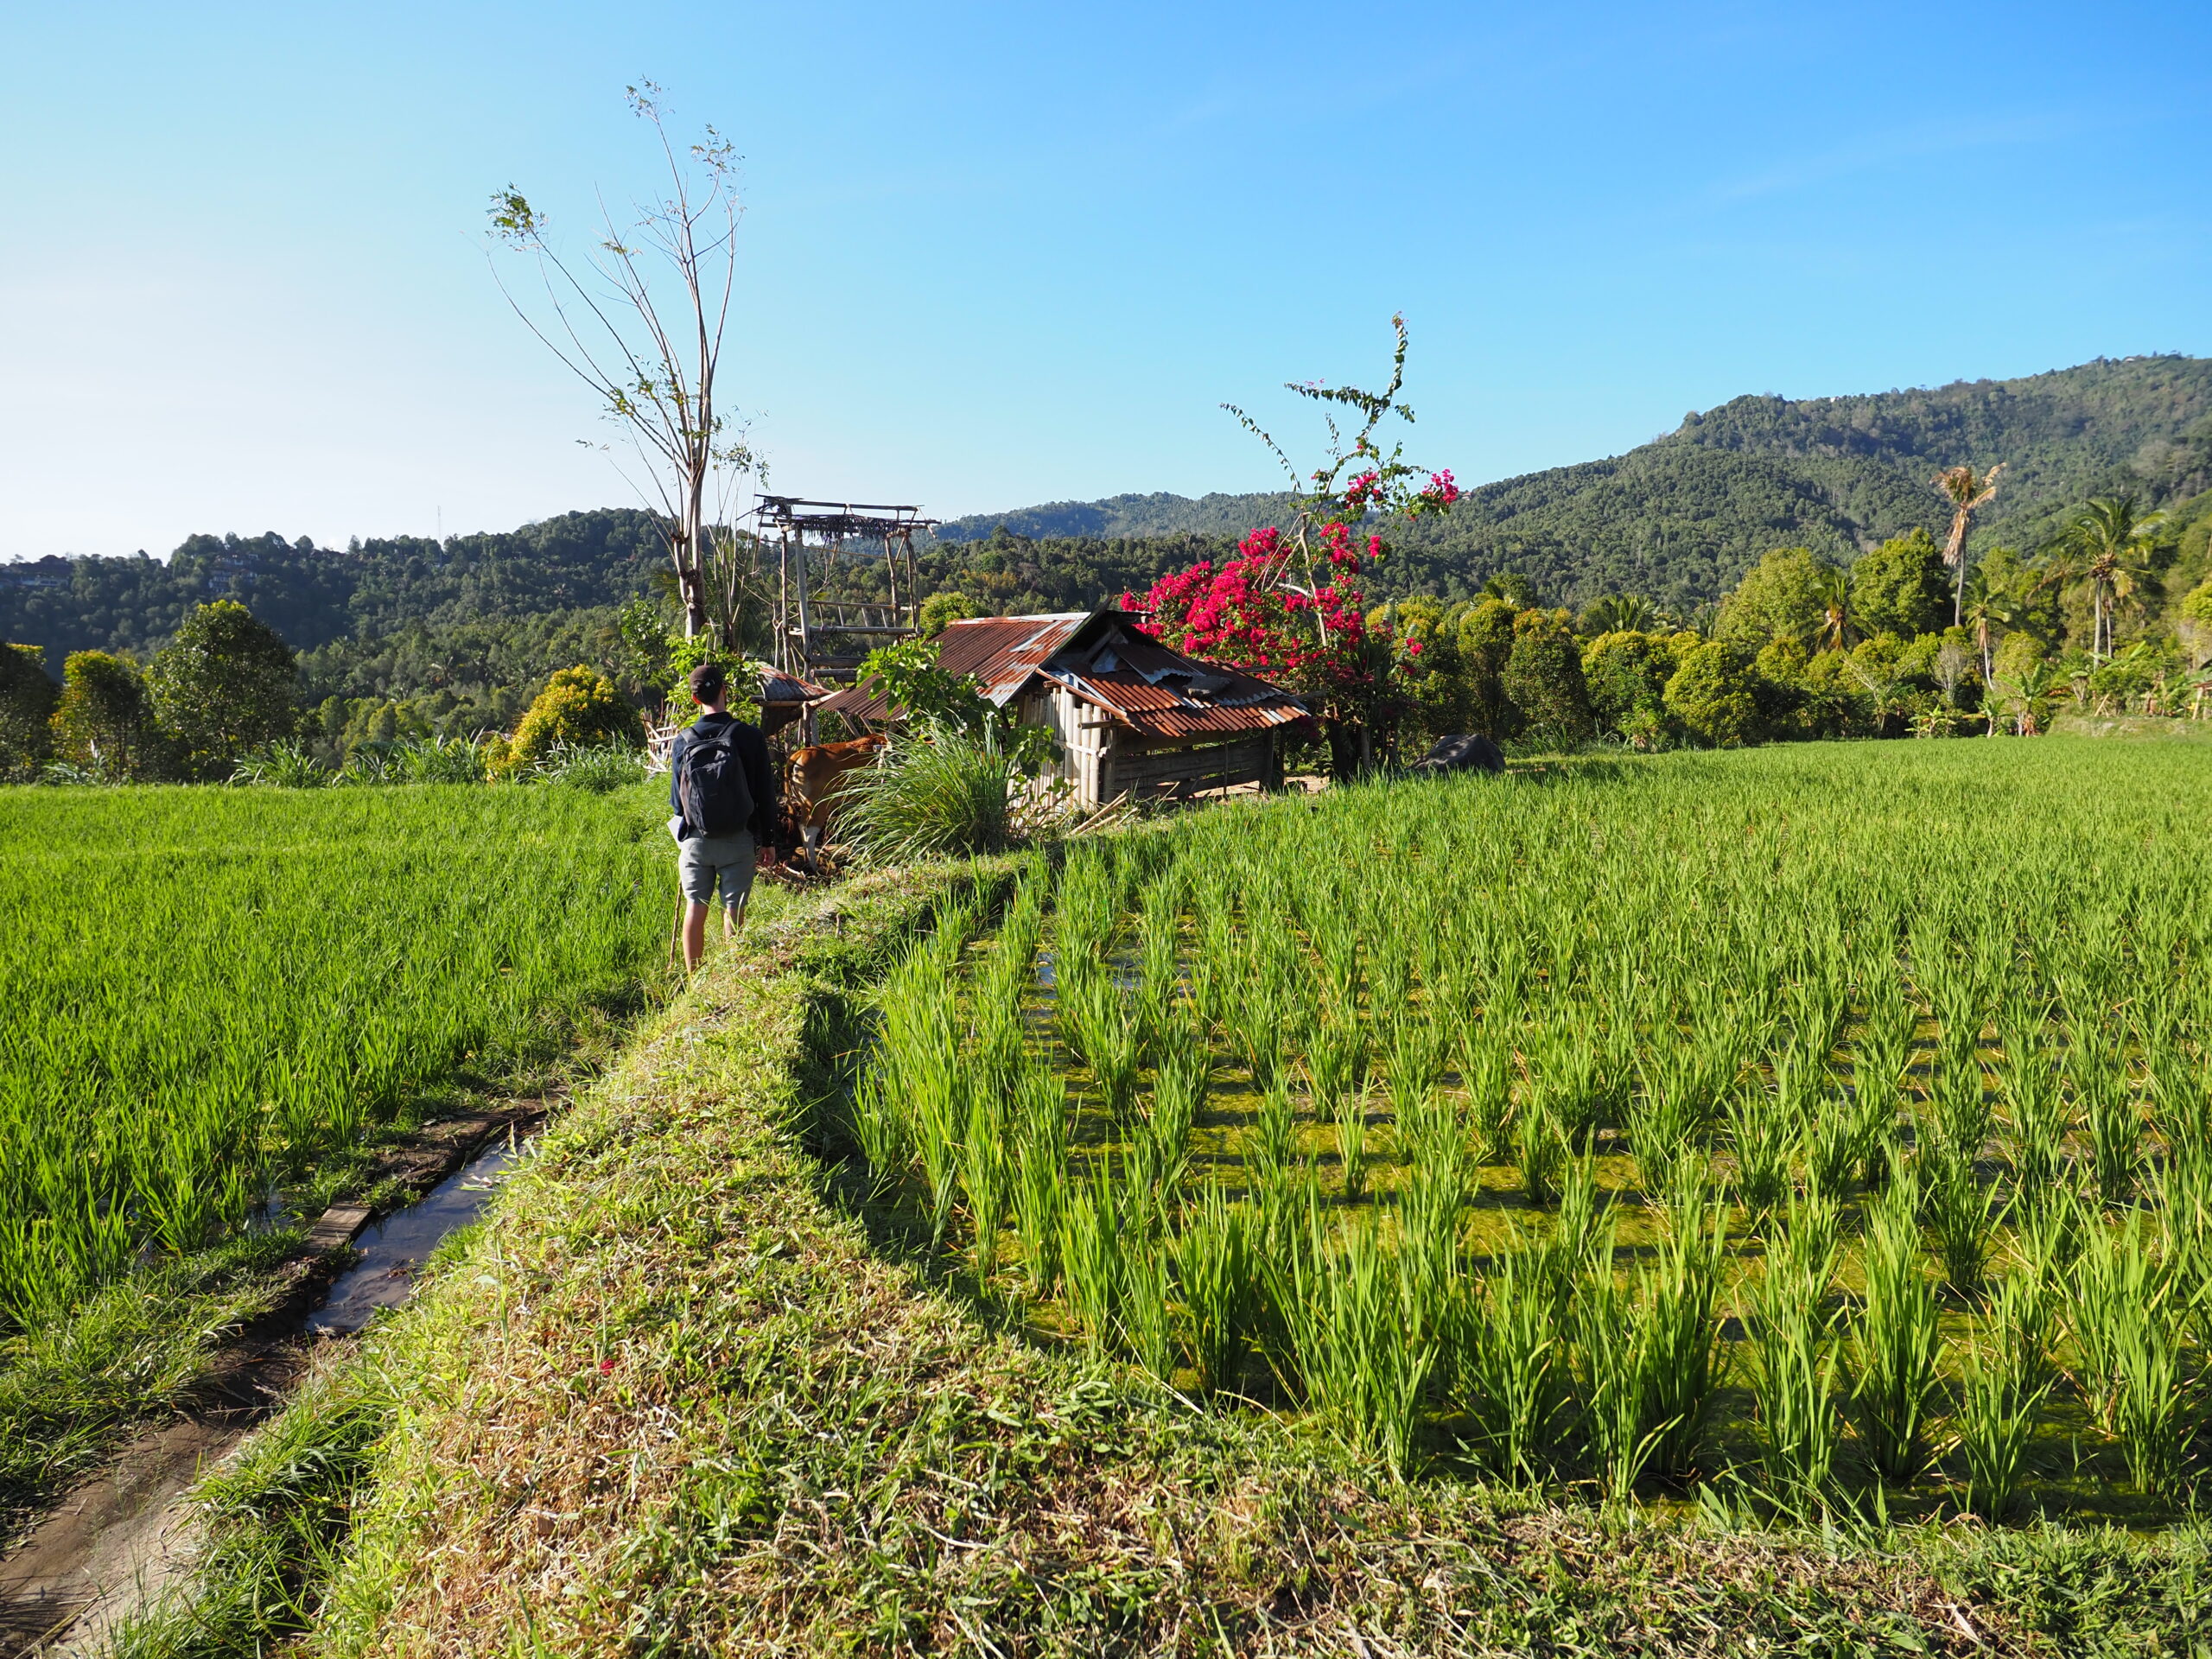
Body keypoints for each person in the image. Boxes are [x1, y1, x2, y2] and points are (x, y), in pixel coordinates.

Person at [668, 662, 779, 970]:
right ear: (724, 692)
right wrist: (768, 841)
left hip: (696, 842)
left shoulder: (683, 740)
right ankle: (731, 980)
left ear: (694, 699)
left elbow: (676, 804)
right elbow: (765, 795)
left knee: (695, 909)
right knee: (733, 911)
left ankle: (695, 984)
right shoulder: (748, 736)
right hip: (738, 840)